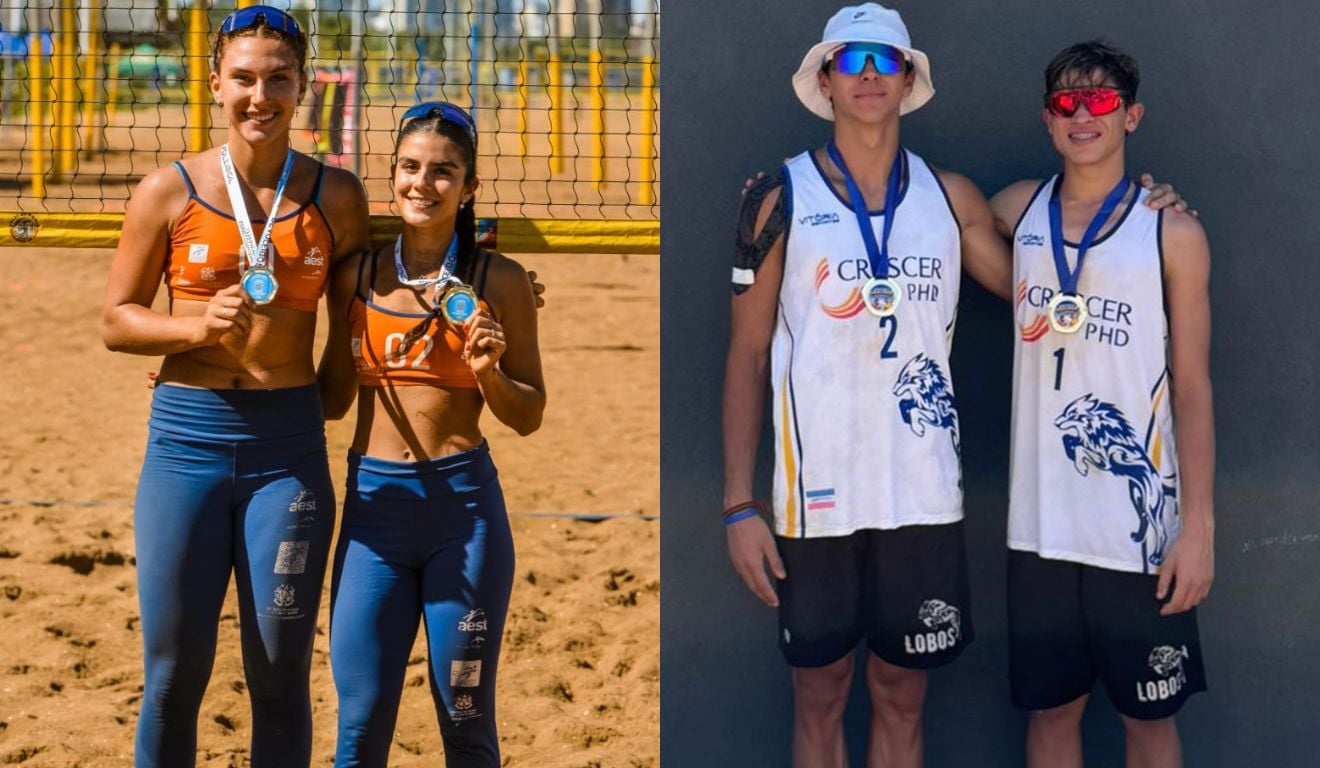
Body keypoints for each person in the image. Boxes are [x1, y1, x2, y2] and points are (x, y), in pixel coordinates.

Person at [722, 6, 1189, 766]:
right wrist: (739, 502)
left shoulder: (951, 199)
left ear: (909, 79)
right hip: (816, 499)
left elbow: (1046, 282)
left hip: (920, 498)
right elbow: (746, 354)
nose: (869, 73)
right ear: (826, 82)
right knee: (820, 694)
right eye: (852, 60)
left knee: (903, 695)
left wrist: (1145, 212)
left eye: (885, 59)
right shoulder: (780, 197)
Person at [100, 6, 370, 767]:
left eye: (278, 78)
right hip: (186, 441)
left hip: (288, 450)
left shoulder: (337, 196)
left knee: (281, 672)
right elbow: (117, 322)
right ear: (216, 83)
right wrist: (193, 330)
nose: (261, 95)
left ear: (303, 86)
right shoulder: (168, 190)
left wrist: (494, 280)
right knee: (172, 673)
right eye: (244, 78)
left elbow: (367, 311)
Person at [988, 41, 1213, 767]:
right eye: (1066, 103)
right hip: (1042, 528)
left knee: (1149, 724)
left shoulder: (1171, 231)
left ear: (1132, 116)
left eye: (1103, 101)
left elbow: (1193, 388)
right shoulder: (1018, 210)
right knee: (1052, 718)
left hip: (1139, 533)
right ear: (1048, 120)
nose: (1083, 114)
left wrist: (1199, 529)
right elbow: (950, 216)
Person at [317, 101, 545, 768]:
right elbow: (331, 402)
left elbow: (528, 415)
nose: (423, 183)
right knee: (359, 729)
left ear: (469, 187)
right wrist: (208, 371)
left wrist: (490, 373)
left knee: (466, 724)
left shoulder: (497, 282)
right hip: (374, 515)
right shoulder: (354, 276)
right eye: (410, 168)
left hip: (463, 515)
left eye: (444, 172)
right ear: (391, 172)